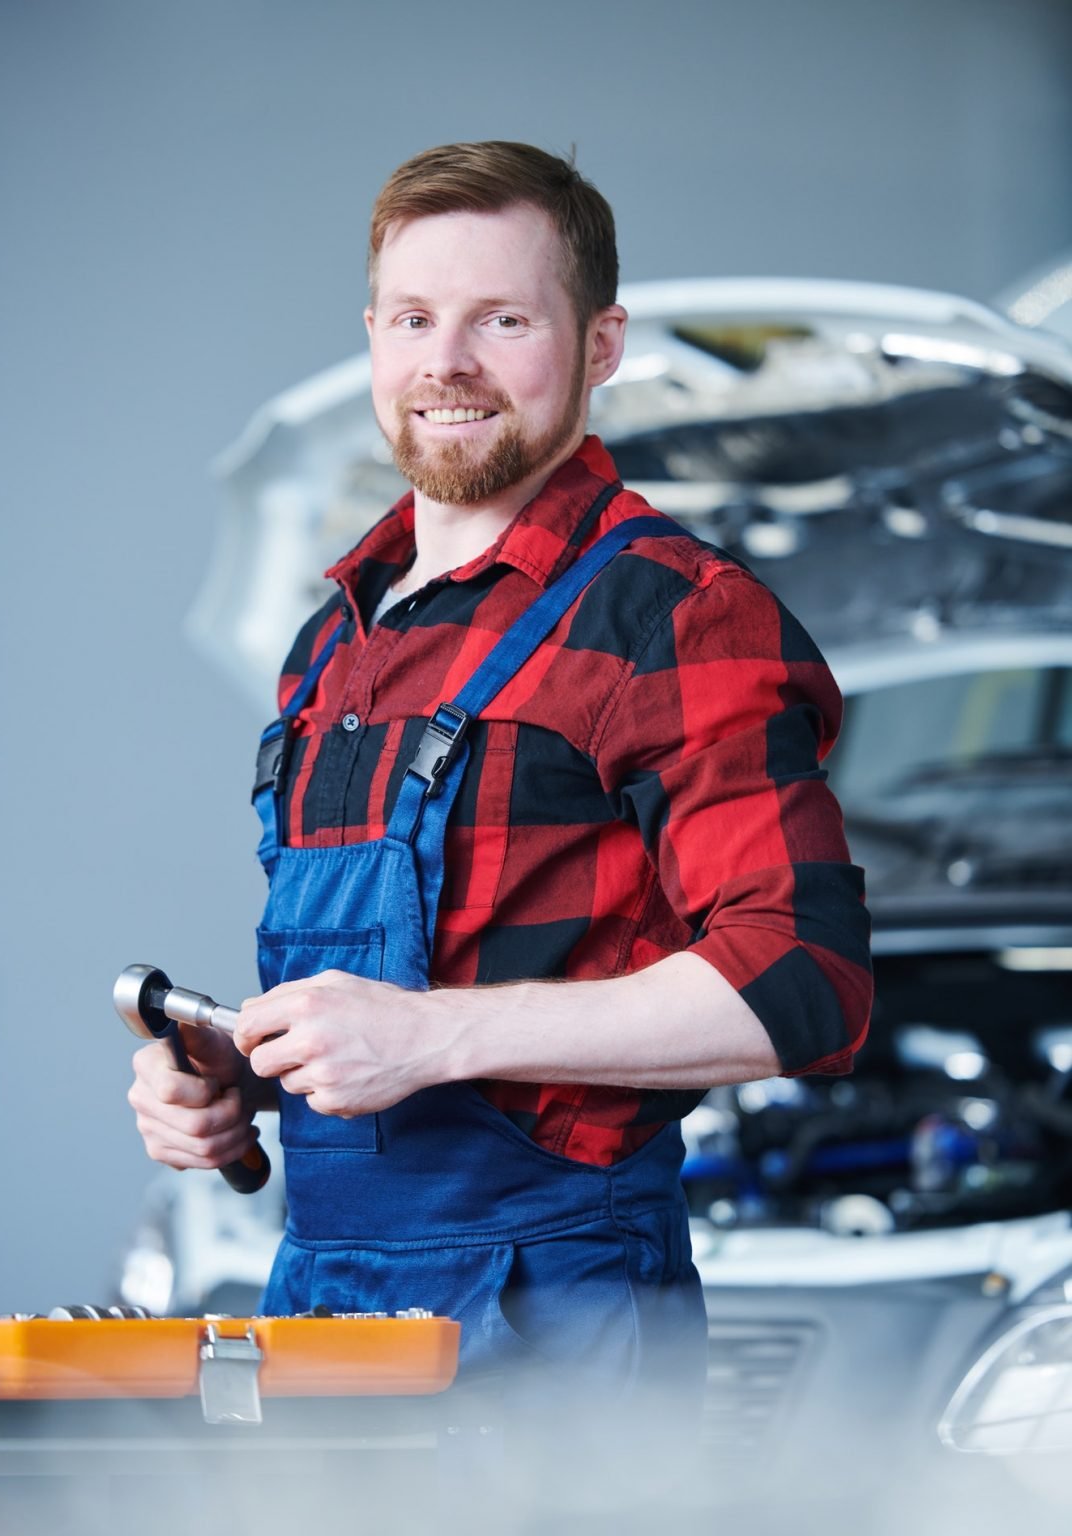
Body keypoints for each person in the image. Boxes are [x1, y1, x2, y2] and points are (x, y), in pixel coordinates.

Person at [128, 141, 872, 1403]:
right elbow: (408, 989)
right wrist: (242, 1078)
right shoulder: (334, 644)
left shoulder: (670, 616)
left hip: (558, 1323)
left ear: (600, 345)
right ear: (372, 334)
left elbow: (805, 981)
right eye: (414, 318)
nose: (447, 363)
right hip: (323, 1294)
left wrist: (426, 1038)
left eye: (504, 319)